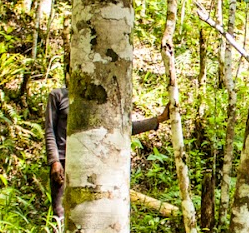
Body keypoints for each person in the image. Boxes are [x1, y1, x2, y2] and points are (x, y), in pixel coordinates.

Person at [45, 86, 169, 219]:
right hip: (64, 163)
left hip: (92, 166)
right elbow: (49, 130)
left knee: (89, 217)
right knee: (60, 215)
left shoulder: (98, 99)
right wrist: (55, 161)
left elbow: (120, 129)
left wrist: (158, 119)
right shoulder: (58, 96)